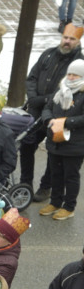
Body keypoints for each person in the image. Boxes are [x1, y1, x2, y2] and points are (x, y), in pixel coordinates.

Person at [22, 25, 84, 201]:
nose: (67, 41)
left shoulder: (79, 63)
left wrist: (43, 100)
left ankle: (45, 187)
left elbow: (71, 89)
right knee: (27, 146)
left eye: (71, 39)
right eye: (65, 37)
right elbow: (32, 77)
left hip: (57, 116)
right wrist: (33, 97)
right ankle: (25, 183)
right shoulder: (48, 53)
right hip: (35, 111)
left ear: (78, 41)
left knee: (52, 152)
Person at [38, 59, 84, 222]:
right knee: (56, 173)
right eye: (69, 73)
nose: (71, 77)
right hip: (55, 140)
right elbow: (47, 108)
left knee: (70, 176)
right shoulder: (61, 89)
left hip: (75, 144)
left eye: (75, 74)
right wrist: (48, 120)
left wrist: (65, 122)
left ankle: (69, 207)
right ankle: (55, 202)